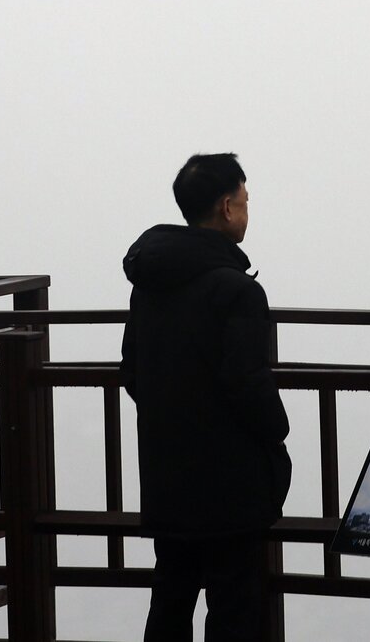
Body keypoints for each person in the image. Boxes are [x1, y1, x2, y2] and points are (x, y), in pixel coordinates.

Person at [120, 153, 292, 642]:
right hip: (228, 490)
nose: (245, 208)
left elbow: (131, 372)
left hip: (167, 477)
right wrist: (278, 433)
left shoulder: (151, 285)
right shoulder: (234, 291)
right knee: (234, 608)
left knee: (170, 600)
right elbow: (247, 383)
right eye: (244, 199)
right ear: (226, 207)